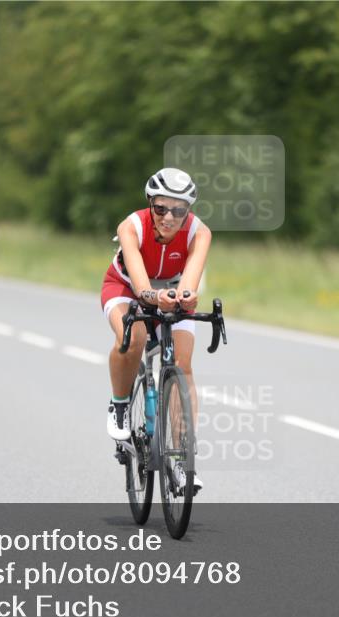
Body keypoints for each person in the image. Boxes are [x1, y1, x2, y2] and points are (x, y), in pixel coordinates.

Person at [100, 168, 212, 492]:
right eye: (161, 208)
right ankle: (120, 404)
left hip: (171, 291)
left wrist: (185, 297)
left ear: (187, 211)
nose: (169, 218)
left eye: (179, 211)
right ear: (151, 204)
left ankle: (181, 458)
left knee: (184, 363)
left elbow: (190, 280)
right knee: (131, 337)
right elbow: (138, 280)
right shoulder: (131, 226)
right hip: (125, 287)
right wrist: (153, 297)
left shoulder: (199, 233)